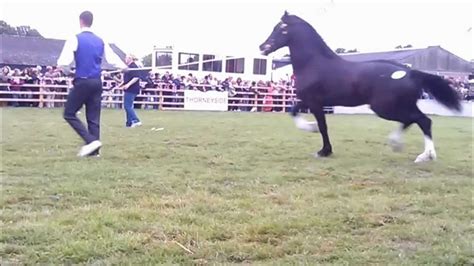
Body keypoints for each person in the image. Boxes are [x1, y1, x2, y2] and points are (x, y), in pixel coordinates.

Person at [57, 10, 127, 157]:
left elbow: (63, 63)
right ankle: (95, 152)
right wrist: (123, 67)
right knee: (93, 118)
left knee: (69, 113)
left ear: (81, 21)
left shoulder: (75, 38)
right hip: (97, 82)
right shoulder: (101, 40)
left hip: (83, 81)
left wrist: (67, 71)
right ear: (91, 21)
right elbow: (113, 59)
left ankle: (90, 141)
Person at [120, 54, 143, 128]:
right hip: (129, 88)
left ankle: (136, 120)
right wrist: (121, 84)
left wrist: (128, 85)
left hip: (132, 89)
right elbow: (126, 79)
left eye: (127, 57)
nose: (125, 59)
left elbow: (136, 77)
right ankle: (129, 123)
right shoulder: (129, 67)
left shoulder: (133, 67)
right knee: (128, 106)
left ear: (130, 59)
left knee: (127, 106)